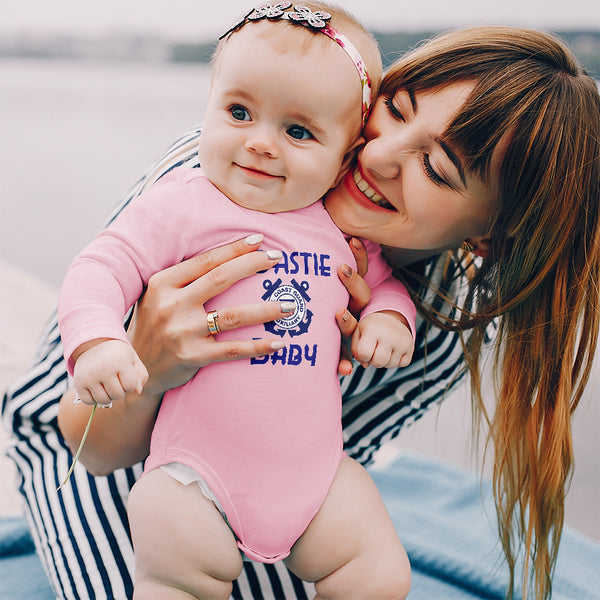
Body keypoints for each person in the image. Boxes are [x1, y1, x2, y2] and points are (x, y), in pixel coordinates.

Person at [3, 22, 599, 600]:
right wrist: (150, 357)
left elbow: (310, 481)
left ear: (487, 237)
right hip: (86, 439)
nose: (379, 157)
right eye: (395, 110)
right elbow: (93, 447)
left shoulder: (436, 331)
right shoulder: (228, 169)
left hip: (256, 482)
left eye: (437, 170)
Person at [57, 3, 414, 598]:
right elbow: (100, 266)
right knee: (177, 574)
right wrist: (97, 342)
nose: (259, 144)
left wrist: (388, 318)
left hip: (315, 477)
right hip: (194, 475)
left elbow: (383, 286)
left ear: (346, 155)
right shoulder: (187, 203)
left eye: (298, 131)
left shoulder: (333, 225)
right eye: (239, 112)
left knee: (378, 571)